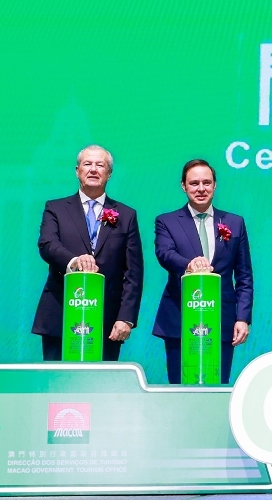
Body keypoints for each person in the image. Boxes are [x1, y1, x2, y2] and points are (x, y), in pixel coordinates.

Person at [32, 145, 143, 360]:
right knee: (58, 380)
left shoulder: (126, 215)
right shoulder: (56, 208)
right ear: (77, 171)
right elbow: (47, 244)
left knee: (100, 381)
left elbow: (133, 273)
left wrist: (126, 318)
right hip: (60, 315)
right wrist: (73, 260)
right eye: (87, 164)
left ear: (109, 173)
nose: (93, 169)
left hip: (106, 322)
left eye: (100, 165)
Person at [152, 159, 253, 383]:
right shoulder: (167, 221)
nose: (201, 188)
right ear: (183, 186)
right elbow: (164, 253)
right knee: (180, 388)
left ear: (215, 185)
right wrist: (188, 264)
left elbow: (244, 275)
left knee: (216, 386)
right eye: (194, 183)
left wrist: (242, 318)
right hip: (180, 317)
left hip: (222, 319)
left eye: (206, 183)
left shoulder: (234, 222)